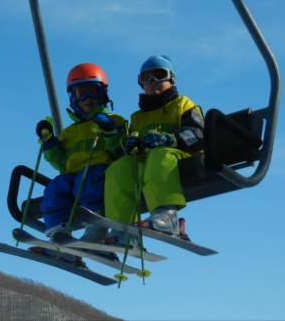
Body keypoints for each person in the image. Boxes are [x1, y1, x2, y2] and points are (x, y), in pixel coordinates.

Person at [104, 55, 205, 245]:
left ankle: (167, 217)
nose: (152, 83)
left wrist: (173, 139)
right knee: (120, 167)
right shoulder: (138, 117)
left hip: (179, 158)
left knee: (160, 154)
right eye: (146, 78)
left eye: (159, 75)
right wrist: (131, 143)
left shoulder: (182, 104)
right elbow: (132, 139)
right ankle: (122, 230)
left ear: (171, 79)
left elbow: (198, 134)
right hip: (147, 164)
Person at [35, 63, 127, 242]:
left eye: (92, 91)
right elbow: (61, 164)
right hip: (73, 175)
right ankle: (58, 233)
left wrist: (109, 131)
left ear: (102, 94)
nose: (86, 98)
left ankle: (96, 227)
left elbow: (120, 152)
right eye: (80, 92)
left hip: (101, 172)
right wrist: (50, 144)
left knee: (88, 179)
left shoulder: (115, 121)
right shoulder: (69, 132)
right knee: (55, 187)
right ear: (72, 97)